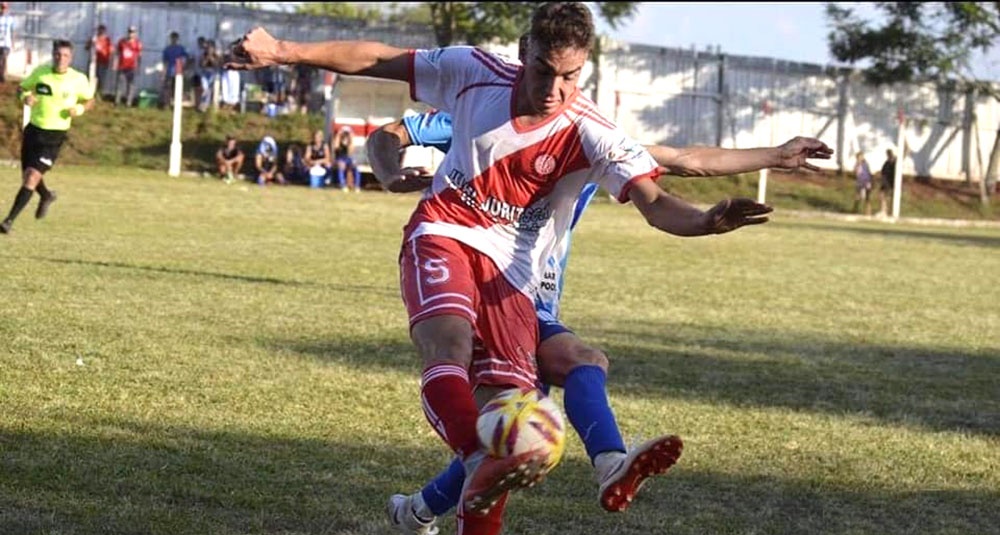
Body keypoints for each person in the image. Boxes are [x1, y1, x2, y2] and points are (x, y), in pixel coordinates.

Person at [226, 4, 775, 532]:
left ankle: (438, 498)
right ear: (523, 53)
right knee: (451, 352)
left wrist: (708, 221)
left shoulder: (592, 132)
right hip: (443, 233)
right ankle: (475, 458)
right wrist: (282, 51)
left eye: (570, 76)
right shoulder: (473, 73)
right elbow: (378, 60)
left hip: (514, 284)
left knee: (508, 433)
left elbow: (657, 200)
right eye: (543, 71)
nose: (555, 89)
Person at [369, 109, 833, 533]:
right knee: (516, 422)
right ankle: (606, 461)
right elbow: (388, 134)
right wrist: (391, 174)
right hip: (478, 282)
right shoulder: (483, 112)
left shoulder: (591, 137)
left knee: (522, 423)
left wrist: (775, 155)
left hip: (532, 297)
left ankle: (418, 510)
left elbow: (684, 157)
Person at [1, 40, 94, 234]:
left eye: (66, 55)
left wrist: (80, 108)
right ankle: (46, 195)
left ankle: (8, 221)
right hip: (34, 130)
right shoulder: (41, 73)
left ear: (71, 58)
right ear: (53, 55)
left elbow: (90, 100)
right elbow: (22, 88)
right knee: (29, 175)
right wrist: (24, 97)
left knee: (32, 177)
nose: (61, 59)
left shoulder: (78, 79)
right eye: (58, 54)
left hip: (55, 135)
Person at [114, 25, 143, 107]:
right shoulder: (122, 41)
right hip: (122, 66)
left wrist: (138, 66)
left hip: (132, 67)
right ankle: (117, 101)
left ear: (135, 33)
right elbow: (117, 53)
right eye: (130, 32)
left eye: (133, 32)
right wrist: (115, 64)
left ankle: (128, 102)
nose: (131, 34)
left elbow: (140, 56)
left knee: (130, 85)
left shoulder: (138, 43)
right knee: (120, 84)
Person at [160, 31, 189, 109]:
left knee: (177, 89)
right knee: (167, 88)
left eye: (175, 38)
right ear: (170, 39)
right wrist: (163, 73)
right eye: (172, 38)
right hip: (169, 71)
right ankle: (166, 104)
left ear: (178, 39)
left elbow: (185, 59)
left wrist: (184, 69)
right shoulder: (167, 49)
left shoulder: (181, 49)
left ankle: (177, 105)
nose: (174, 39)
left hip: (178, 72)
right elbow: (165, 62)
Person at [85, 24, 113, 100]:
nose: (101, 32)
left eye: (103, 30)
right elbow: (86, 48)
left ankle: (99, 94)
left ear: (105, 31)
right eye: (100, 30)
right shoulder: (94, 38)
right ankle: (90, 94)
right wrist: (91, 42)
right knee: (91, 78)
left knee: (101, 79)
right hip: (93, 62)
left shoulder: (107, 40)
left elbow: (111, 51)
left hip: (103, 62)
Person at [333, 126, 360, 191]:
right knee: (341, 166)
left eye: (347, 133)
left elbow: (350, 153)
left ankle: (357, 186)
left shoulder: (350, 141)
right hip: (339, 158)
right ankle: (343, 185)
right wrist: (339, 135)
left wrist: (351, 139)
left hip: (348, 158)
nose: (345, 135)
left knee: (355, 168)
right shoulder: (338, 140)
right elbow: (336, 147)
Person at [853, 151, 873, 216]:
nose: (860, 158)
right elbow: (856, 173)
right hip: (859, 182)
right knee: (857, 196)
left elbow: (868, 173)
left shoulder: (865, 164)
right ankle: (855, 210)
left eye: (861, 157)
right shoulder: (857, 164)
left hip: (866, 181)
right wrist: (857, 166)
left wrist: (869, 182)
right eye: (858, 157)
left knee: (868, 197)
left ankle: (868, 212)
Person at [878, 148, 896, 216]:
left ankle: (886, 210)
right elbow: (883, 171)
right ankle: (884, 210)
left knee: (886, 195)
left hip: (889, 181)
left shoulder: (894, 162)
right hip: (885, 181)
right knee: (881, 195)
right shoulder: (887, 162)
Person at [0, 2, 14, 84]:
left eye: (4, 7)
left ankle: (2, 76)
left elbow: (12, 31)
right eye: (1, 7)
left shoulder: (10, 18)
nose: (3, 9)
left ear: (7, 8)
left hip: (6, 43)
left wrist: (13, 42)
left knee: (4, 59)